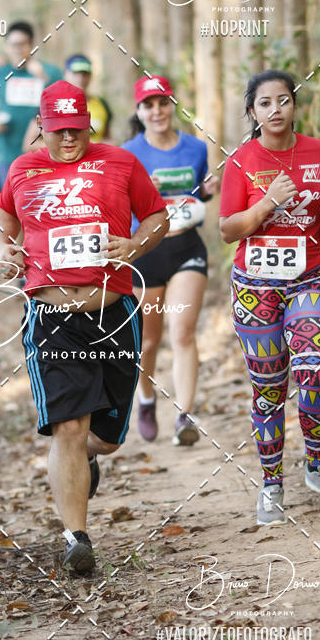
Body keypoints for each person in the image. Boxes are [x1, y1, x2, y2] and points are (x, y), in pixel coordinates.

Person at [0, 80, 169, 574]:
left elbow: (158, 216)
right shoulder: (23, 169)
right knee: (69, 425)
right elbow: (2, 214)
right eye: (58, 130)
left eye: (77, 129)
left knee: (107, 437)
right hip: (50, 317)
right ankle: (77, 538)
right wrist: (1, 250)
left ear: (89, 123)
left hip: (115, 314)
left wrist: (134, 246)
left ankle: (86, 453)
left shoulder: (120, 163)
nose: (69, 139)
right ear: (41, 129)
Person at [219, 69, 320, 525]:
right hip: (255, 285)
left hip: (308, 276)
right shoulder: (241, 160)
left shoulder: (318, 151)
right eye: (265, 103)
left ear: (295, 106)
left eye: (283, 101)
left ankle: (317, 466)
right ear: (252, 112)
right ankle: (272, 482)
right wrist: (267, 204)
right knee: (270, 387)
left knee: (316, 372)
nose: (275, 110)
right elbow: (227, 229)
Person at [121, 75, 219, 446]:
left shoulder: (195, 148)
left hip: (186, 248)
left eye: (163, 102)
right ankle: (146, 399)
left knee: (183, 331)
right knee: (148, 342)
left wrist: (207, 193)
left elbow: (197, 193)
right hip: (146, 253)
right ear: (139, 111)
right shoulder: (128, 152)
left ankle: (184, 415)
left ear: (172, 106)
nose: (157, 111)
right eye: (149, 104)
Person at [0, 21, 63, 189]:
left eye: (22, 44)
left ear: (31, 45)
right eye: (12, 45)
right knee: (13, 208)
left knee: (39, 207)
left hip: (41, 152)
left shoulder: (50, 72)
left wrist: (44, 79)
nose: (17, 49)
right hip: (6, 153)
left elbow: (62, 101)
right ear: (6, 47)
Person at [22, 53, 114, 152]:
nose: (81, 78)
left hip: (93, 163)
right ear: (65, 74)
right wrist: (63, 147)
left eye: (85, 74)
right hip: (61, 162)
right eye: (75, 73)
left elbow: (107, 138)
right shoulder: (52, 104)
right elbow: (29, 143)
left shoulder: (102, 104)